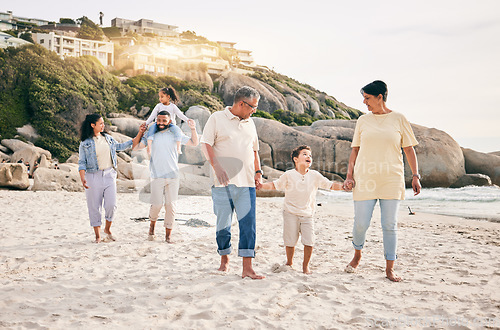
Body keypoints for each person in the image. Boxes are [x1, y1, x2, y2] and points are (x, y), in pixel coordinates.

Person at [343, 80, 421, 282]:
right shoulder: (363, 120)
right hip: (365, 178)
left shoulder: (399, 118)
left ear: (380, 97)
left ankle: (389, 268)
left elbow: (409, 149)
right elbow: (355, 150)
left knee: (389, 224)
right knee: (361, 223)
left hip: (391, 179)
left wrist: (415, 175)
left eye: (367, 98)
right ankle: (357, 255)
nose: (364, 102)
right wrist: (349, 175)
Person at [201, 86, 265, 280]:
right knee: (223, 224)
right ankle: (224, 262)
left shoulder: (250, 123)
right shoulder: (216, 118)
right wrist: (217, 167)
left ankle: (247, 268)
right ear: (240, 104)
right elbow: (206, 144)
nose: (254, 110)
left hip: (247, 183)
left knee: (248, 225)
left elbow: (254, 151)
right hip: (223, 183)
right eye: (252, 106)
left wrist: (258, 172)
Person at [258, 145, 344, 274]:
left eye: (310, 155)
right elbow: (275, 185)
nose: (308, 156)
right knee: (290, 241)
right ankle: (289, 262)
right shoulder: (289, 175)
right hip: (290, 213)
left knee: (309, 241)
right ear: (295, 159)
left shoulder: (315, 175)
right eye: (304, 154)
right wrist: (261, 186)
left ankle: (305, 266)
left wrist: (344, 186)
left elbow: (330, 185)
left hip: (307, 214)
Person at [78, 113, 145, 243]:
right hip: (92, 176)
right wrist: (82, 177)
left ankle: (107, 229)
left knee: (111, 205)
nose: (103, 125)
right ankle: (97, 236)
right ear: (93, 125)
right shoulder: (85, 143)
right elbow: (82, 162)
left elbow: (121, 147)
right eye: (101, 123)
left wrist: (139, 134)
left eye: (103, 123)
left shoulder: (108, 138)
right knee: (94, 206)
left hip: (109, 175)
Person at [138, 111, 199, 242]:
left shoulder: (175, 135)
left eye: (164, 120)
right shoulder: (151, 135)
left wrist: (193, 129)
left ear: (169, 121)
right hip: (156, 176)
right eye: (159, 120)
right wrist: (141, 132)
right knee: (157, 205)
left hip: (173, 176)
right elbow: (137, 146)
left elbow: (194, 143)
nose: (161, 123)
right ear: (156, 121)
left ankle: (168, 236)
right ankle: (152, 226)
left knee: (171, 206)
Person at [145, 87, 195, 155]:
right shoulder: (158, 106)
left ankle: (178, 147)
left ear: (168, 97)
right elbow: (152, 116)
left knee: (177, 131)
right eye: (159, 97)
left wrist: (187, 120)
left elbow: (180, 114)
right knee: (151, 130)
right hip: (159, 124)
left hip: (171, 125)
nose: (160, 99)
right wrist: (146, 123)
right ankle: (149, 147)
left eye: (162, 97)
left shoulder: (173, 106)